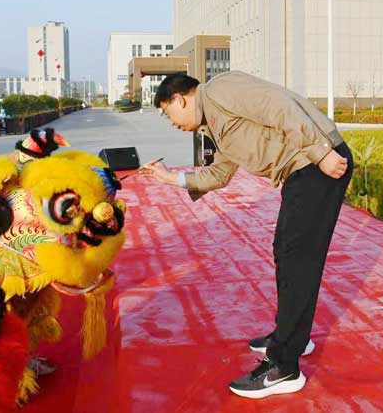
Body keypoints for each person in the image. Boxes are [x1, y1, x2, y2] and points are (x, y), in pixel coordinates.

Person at [145, 72, 353, 399]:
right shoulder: (215, 124)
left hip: (317, 164)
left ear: (178, 99)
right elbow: (220, 173)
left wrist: (320, 151)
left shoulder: (220, 89)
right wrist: (172, 178)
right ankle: (291, 337)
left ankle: (284, 366)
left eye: (167, 114)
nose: (172, 123)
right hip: (302, 171)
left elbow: (278, 105)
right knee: (286, 253)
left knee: (297, 260)